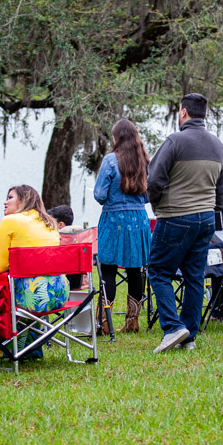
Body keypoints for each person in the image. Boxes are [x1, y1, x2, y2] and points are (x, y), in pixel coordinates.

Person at [146, 93, 223, 353]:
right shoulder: (218, 145)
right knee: (194, 276)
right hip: (206, 218)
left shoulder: (174, 141)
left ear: (183, 113)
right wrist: (216, 212)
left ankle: (172, 327)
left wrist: (156, 203)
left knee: (159, 271)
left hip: (176, 215)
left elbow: (154, 180)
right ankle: (189, 335)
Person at [0, 185, 67, 354]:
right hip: (59, 294)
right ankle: (30, 349)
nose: (5, 202)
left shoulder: (10, 221)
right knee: (26, 285)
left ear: (23, 199)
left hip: (32, 298)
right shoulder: (51, 222)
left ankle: (1, 346)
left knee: (7, 292)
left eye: (10, 198)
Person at [93, 119, 151, 333]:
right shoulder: (144, 160)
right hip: (138, 220)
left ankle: (104, 322)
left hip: (114, 220)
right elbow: (149, 195)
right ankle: (132, 321)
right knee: (136, 269)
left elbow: (100, 195)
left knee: (108, 267)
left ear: (117, 138)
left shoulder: (110, 160)